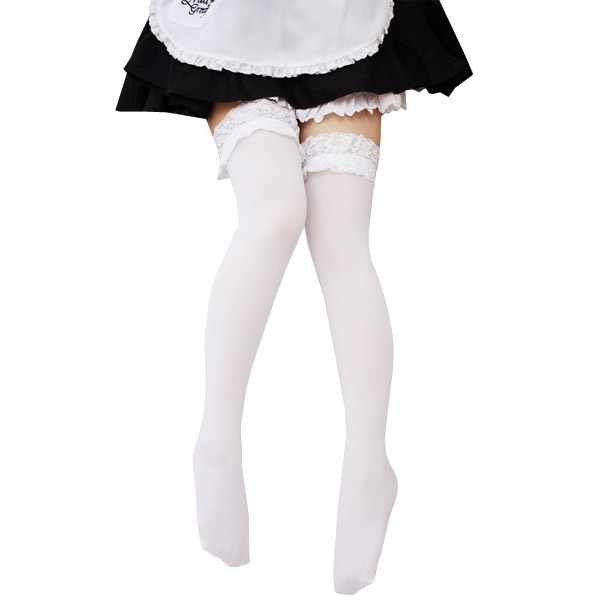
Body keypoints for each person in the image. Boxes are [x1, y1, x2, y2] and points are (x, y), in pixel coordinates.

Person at [116, 0, 473, 594]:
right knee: (275, 211)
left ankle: (368, 464)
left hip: (339, 18)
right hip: (236, 24)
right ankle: (217, 440)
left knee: (341, 237)